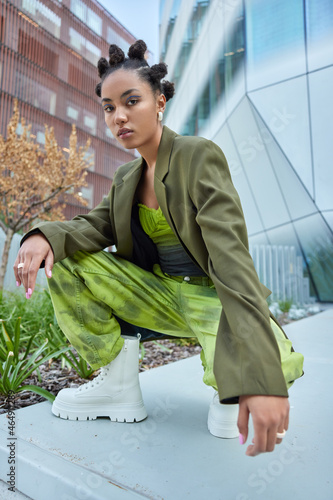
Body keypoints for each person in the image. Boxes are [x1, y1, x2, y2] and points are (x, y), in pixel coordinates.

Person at [14, 40, 304, 457]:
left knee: (239, 404)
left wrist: (258, 379)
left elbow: (231, 254)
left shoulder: (197, 156)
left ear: (160, 101)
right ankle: (118, 385)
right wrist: (41, 236)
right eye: (109, 107)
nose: (120, 116)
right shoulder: (125, 178)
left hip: (211, 298)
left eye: (132, 101)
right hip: (158, 296)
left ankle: (237, 380)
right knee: (68, 258)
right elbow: (92, 228)